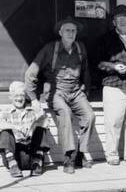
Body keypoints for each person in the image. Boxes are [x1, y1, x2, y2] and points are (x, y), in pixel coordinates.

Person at [25, 16, 95, 174]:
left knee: (90, 115)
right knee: (65, 113)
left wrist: (86, 88)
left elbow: (86, 71)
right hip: (57, 91)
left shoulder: (80, 47)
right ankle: (69, 157)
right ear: (60, 32)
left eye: (73, 30)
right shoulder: (50, 49)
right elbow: (31, 73)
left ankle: (81, 153)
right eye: (67, 30)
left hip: (76, 91)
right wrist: (34, 99)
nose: (71, 33)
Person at [98, 5, 126, 165]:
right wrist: (113, 66)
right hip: (114, 84)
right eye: (119, 18)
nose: (123, 21)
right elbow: (98, 63)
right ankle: (111, 154)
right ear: (114, 22)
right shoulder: (105, 38)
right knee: (114, 121)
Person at [0, 81, 51, 178]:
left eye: (22, 95)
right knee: (5, 131)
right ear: (10, 97)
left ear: (25, 96)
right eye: (16, 95)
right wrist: (15, 127)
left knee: (41, 127)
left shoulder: (33, 110)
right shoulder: (5, 112)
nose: (19, 98)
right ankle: (13, 165)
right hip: (15, 157)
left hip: (32, 156)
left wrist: (33, 125)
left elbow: (47, 121)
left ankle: (37, 163)